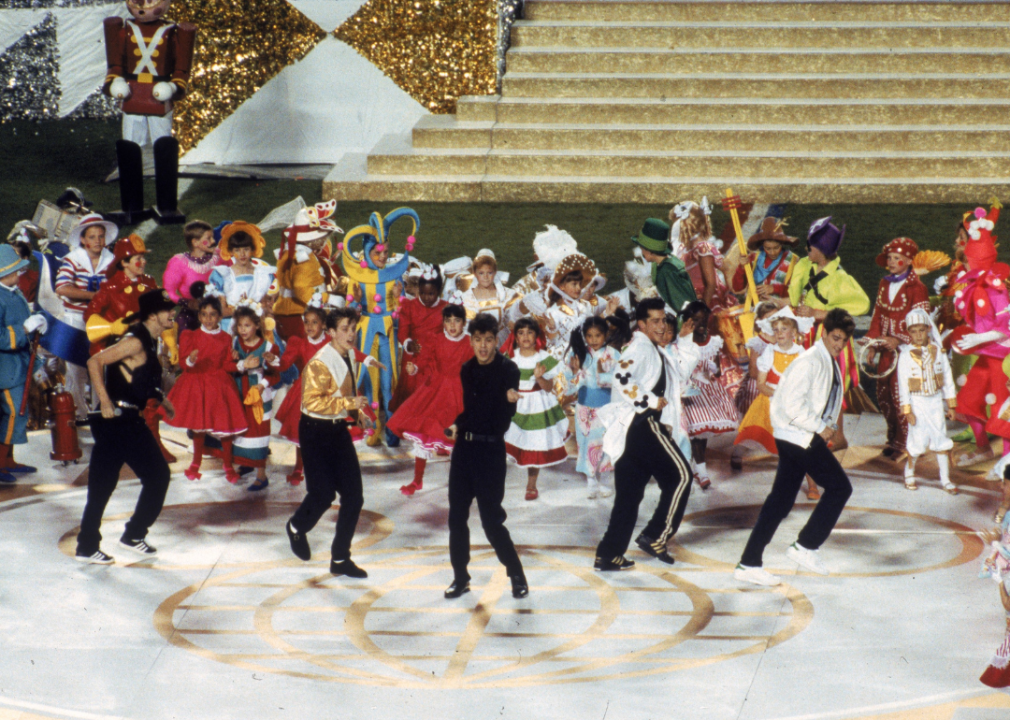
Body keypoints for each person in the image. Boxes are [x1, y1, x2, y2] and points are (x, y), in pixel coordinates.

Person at [735, 308, 856, 586]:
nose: (839, 344)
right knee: (840, 488)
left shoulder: (826, 358)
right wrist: (820, 427)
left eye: (844, 341)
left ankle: (749, 563)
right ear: (823, 333)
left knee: (780, 501)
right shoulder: (810, 361)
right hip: (797, 436)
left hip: (795, 436)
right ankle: (805, 546)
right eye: (835, 337)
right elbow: (790, 405)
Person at [594, 297, 699, 570]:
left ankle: (609, 553)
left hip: (633, 431)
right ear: (641, 324)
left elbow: (680, 372)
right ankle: (655, 536)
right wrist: (649, 401)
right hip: (643, 424)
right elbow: (621, 377)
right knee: (681, 476)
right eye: (654, 320)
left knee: (629, 496)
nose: (661, 324)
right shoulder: (640, 346)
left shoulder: (651, 347)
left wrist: (685, 340)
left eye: (663, 319)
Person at [75, 289, 177, 564]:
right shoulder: (135, 341)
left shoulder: (150, 339)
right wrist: (104, 402)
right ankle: (98, 543)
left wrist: (163, 399)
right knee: (114, 484)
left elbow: (138, 379)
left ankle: (124, 536)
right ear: (153, 315)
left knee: (127, 482)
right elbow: (94, 361)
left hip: (128, 420)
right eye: (168, 310)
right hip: (117, 422)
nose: (173, 314)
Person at [443, 314, 528, 600]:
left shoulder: (509, 370)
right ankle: (460, 577)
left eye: (488, 340)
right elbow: (472, 409)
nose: (482, 346)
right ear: (471, 340)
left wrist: (509, 398)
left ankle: (516, 573)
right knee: (456, 517)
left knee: (491, 521)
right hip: (464, 452)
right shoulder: (467, 369)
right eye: (477, 340)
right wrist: (458, 423)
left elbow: (501, 416)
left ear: (496, 340)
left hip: (490, 452)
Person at [284, 307, 370, 579]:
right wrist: (349, 404)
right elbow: (310, 402)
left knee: (354, 497)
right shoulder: (321, 362)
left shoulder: (350, 355)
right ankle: (296, 527)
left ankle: (340, 558)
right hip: (315, 432)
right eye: (344, 329)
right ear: (331, 333)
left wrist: (359, 415)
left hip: (337, 430)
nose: (351, 334)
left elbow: (346, 391)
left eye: (353, 328)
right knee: (322, 495)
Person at [786, 217, 870, 450]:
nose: (806, 250)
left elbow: (861, 304)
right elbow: (795, 296)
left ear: (821, 252)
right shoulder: (805, 265)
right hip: (807, 334)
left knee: (831, 385)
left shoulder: (841, 279)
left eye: (810, 246)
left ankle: (838, 436)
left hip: (829, 336)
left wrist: (821, 312)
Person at [387, 302, 473, 496]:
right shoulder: (436, 339)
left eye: (457, 321)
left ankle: (460, 482)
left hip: (459, 395)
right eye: (448, 321)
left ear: (464, 322)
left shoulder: (469, 342)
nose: (452, 325)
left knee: (457, 440)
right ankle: (417, 480)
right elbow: (426, 362)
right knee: (423, 433)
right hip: (435, 392)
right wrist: (415, 368)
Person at [165, 296, 247, 482]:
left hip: (219, 386)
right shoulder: (190, 336)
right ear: (199, 316)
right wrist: (191, 360)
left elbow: (226, 365)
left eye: (212, 315)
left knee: (224, 428)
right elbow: (184, 365)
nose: (208, 319)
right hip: (196, 386)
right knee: (198, 427)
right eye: (204, 315)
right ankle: (195, 463)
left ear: (219, 317)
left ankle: (227, 465)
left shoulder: (226, 338)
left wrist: (241, 364)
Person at [952, 208, 1010, 467]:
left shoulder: (997, 288)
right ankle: (983, 448)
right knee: (968, 399)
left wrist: (978, 339)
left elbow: (1005, 326)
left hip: (1003, 357)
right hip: (986, 355)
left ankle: (1007, 461)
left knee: (1003, 412)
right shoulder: (972, 284)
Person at [864, 237, 931, 458]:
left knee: (902, 396)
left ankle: (906, 442)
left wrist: (899, 339)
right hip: (886, 351)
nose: (891, 262)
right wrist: (873, 344)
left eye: (897, 259)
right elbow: (877, 316)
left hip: (906, 353)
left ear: (908, 261)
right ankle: (893, 438)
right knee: (884, 395)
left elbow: (922, 325)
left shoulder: (918, 288)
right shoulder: (885, 283)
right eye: (890, 258)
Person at [734, 306, 813, 491]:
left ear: (794, 331)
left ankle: (812, 483)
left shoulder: (801, 352)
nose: (779, 333)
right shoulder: (769, 352)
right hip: (773, 402)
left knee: (805, 443)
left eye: (784, 329)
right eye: (776, 329)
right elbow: (761, 384)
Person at [55, 213, 118, 421]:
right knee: (76, 369)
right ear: (83, 239)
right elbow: (63, 288)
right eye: (92, 237)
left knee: (102, 366)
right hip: (76, 318)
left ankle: (100, 412)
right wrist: (95, 296)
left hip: (102, 320)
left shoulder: (111, 261)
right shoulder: (73, 260)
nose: (97, 241)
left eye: (101, 236)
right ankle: (78, 414)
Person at [504, 317, 569, 501]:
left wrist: (539, 378)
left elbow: (548, 387)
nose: (525, 336)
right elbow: (500, 382)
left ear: (536, 336)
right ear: (516, 337)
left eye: (530, 332)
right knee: (508, 441)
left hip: (537, 406)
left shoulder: (542, 358)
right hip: (514, 406)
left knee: (534, 444)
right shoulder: (510, 357)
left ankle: (531, 484)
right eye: (521, 333)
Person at [0, 245, 47, 483]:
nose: (19, 274)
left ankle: (8, 461)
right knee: (13, 412)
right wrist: (24, 329)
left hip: (18, 363)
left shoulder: (13, 292)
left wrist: (35, 324)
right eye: (14, 271)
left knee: (19, 412)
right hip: (4, 368)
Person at [897, 307, 957, 493]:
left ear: (928, 329)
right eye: (913, 332)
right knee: (917, 439)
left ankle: (945, 479)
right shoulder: (906, 354)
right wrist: (907, 410)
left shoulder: (938, 351)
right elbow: (903, 383)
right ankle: (909, 472)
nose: (918, 335)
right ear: (909, 333)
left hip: (935, 401)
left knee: (940, 438)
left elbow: (947, 377)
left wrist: (950, 404)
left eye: (921, 330)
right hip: (917, 402)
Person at [679, 301, 739, 489]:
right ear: (688, 322)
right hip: (690, 389)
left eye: (704, 319)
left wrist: (712, 368)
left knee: (701, 433)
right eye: (696, 320)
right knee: (696, 431)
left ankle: (699, 467)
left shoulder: (713, 342)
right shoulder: (682, 343)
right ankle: (701, 470)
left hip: (708, 389)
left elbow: (718, 372)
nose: (701, 324)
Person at [274, 305, 331, 486]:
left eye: (314, 322)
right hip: (305, 392)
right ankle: (299, 466)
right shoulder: (299, 343)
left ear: (323, 324)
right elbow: (284, 364)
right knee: (302, 430)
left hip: (327, 391)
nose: (310, 326)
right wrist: (274, 360)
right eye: (306, 322)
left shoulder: (331, 342)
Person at [273, 200, 345, 341]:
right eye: (324, 236)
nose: (325, 239)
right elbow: (302, 289)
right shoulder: (304, 258)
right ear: (314, 239)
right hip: (299, 318)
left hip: (287, 315)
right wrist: (329, 299)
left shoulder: (291, 252)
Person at [567, 316, 620, 499]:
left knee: (605, 444)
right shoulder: (578, 354)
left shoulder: (613, 354)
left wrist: (606, 376)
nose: (594, 340)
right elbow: (568, 384)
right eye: (589, 336)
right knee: (587, 444)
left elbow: (620, 379)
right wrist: (574, 373)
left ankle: (601, 480)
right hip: (585, 407)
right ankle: (591, 481)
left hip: (606, 408)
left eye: (598, 335)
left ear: (605, 335)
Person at [228, 302, 280, 490]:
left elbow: (276, 374)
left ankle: (261, 474)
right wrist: (233, 358)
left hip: (258, 394)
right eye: (240, 326)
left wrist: (261, 385)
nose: (243, 330)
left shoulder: (268, 346)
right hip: (239, 392)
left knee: (259, 432)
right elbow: (229, 364)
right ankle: (246, 463)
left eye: (247, 325)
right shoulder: (235, 343)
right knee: (242, 430)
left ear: (257, 325)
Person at [730, 301, 778, 470]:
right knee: (753, 424)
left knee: (776, 423)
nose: (773, 322)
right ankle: (737, 453)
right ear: (760, 321)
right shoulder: (759, 342)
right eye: (769, 318)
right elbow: (753, 371)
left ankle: (782, 453)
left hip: (775, 387)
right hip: (759, 387)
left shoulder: (783, 340)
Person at [393, 264, 447, 410]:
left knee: (430, 396)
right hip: (414, 354)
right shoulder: (410, 306)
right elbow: (402, 331)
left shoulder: (446, 308)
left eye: (431, 294)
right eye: (423, 293)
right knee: (410, 396)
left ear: (439, 291)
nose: (426, 297)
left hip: (434, 357)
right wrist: (407, 343)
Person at [206, 222, 275, 333]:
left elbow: (266, 305)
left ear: (252, 249)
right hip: (231, 325)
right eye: (237, 250)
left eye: (246, 249)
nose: (242, 254)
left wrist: (260, 309)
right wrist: (242, 309)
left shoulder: (263, 275)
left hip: (256, 325)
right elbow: (221, 310)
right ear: (231, 251)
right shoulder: (223, 275)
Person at [669, 199, 737, 312]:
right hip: (691, 297)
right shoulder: (685, 248)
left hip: (706, 300)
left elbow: (711, 284)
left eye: (676, 223)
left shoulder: (702, 248)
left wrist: (702, 309)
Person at [631, 218, 697, 315]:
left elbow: (680, 305)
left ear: (650, 251)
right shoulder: (669, 262)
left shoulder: (666, 272)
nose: (641, 252)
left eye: (642, 248)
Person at [162, 220, 217, 331]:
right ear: (195, 242)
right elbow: (166, 292)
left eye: (213, 237)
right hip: (191, 317)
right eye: (208, 238)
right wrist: (187, 303)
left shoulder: (219, 256)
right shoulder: (178, 262)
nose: (213, 241)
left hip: (218, 314)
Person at [730, 217, 798, 305]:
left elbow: (799, 293)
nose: (772, 252)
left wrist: (775, 288)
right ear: (762, 245)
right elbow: (737, 287)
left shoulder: (793, 261)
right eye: (768, 248)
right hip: (754, 309)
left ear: (782, 243)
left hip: (780, 311)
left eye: (776, 247)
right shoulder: (753, 258)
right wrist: (742, 268)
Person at [461, 249, 517, 347]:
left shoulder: (507, 295)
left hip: (502, 344)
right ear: (475, 273)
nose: (486, 277)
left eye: (489, 273)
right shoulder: (466, 298)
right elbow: (465, 330)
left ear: (495, 272)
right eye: (481, 273)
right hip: (479, 346)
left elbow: (516, 322)